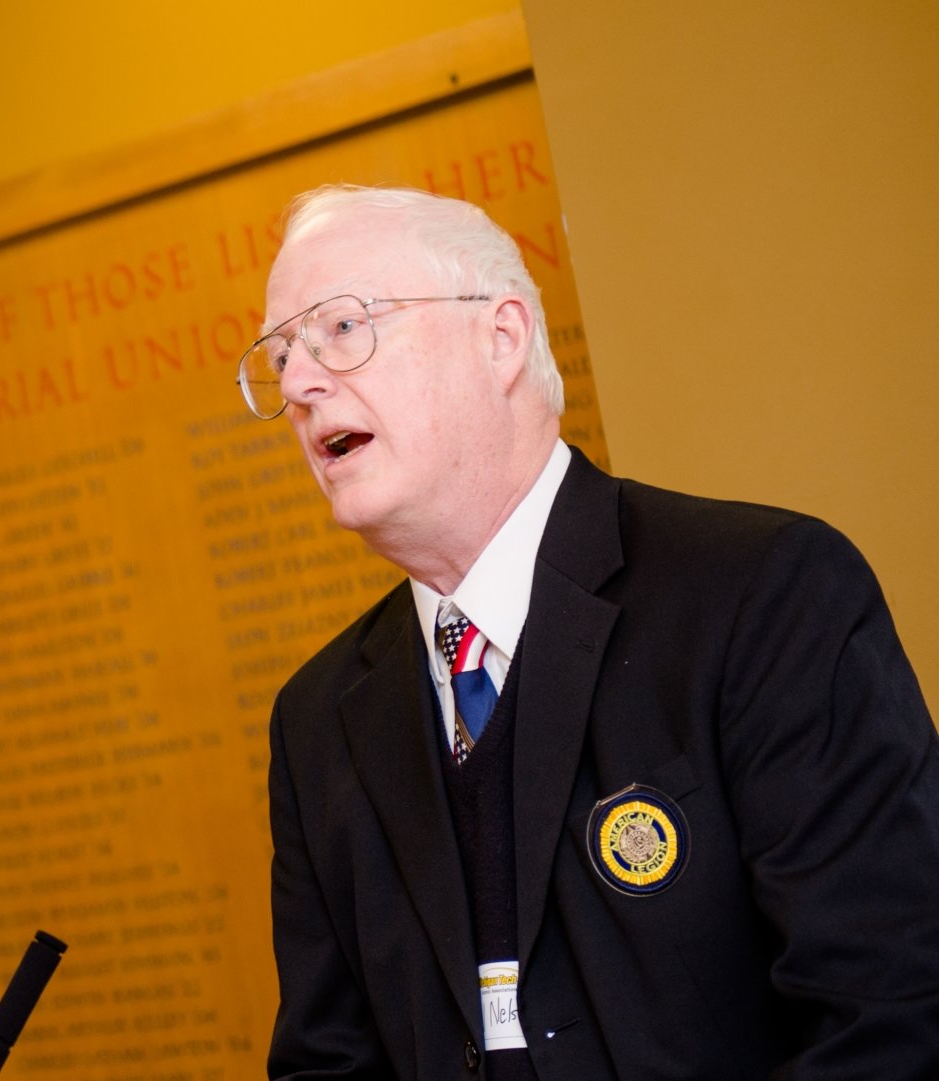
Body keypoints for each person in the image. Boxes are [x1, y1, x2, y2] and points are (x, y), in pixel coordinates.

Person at [246, 185, 939, 1079]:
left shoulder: (765, 596)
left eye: (341, 327)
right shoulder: (317, 721)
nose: (300, 385)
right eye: (281, 355)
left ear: (501, 338)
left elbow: (893, 1014)